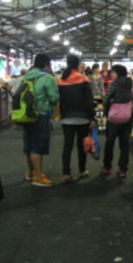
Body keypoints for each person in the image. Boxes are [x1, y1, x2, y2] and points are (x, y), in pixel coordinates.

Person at [22, 54, 60, 187]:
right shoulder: (47, 78)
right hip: (41, 114)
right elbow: (54, 97)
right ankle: (38, 176)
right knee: (38, 145)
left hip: (26, 115)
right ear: (46, 64)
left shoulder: (26, 76)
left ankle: (30, 172)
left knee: (29, 143)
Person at [57, 55, 96, 183]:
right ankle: (82, 169)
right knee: (81, 144)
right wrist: (92, 117)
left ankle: (66, 173)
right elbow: (89, 101)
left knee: (67, 145)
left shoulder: (61, 80)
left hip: (66, 117)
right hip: (82, 118)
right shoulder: (83, 79)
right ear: (78, 64)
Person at [102, 64, 133, 178]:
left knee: (109, 143)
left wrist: (106, 113)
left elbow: (106, 100)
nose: (112, 74)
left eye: (113, 72)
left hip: (114, 118)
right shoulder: (130, 84)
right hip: (126, 118)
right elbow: (132, 98)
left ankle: (107, 166)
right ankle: (122, 169)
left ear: (118, 73)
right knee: (124, 144)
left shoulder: (113, 84)